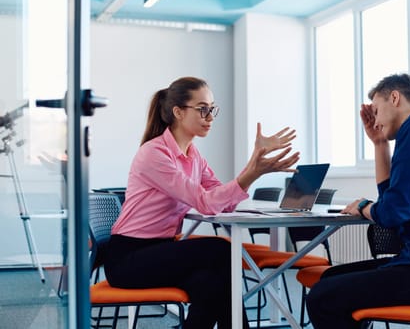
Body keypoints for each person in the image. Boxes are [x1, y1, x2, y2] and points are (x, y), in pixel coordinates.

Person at [104, 76, 300, 329]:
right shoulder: (155, 153)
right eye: (202, 109)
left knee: (211, 283)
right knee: (220, 251)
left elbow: (223, 202)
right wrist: (254, 172)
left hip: (159, 251)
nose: (210, 117)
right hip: (129, 258)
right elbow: (205, 202)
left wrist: (255, 161)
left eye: (212, 109)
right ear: (178, 112)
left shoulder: (193, 155)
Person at [306, 73, 410, 328]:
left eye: (376, 109)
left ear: (395, 98)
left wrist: (364, 206)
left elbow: (392, 213)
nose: (374, 118)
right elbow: (392, 204)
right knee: (330, 277)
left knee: (322, 298)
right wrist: (379, 144)